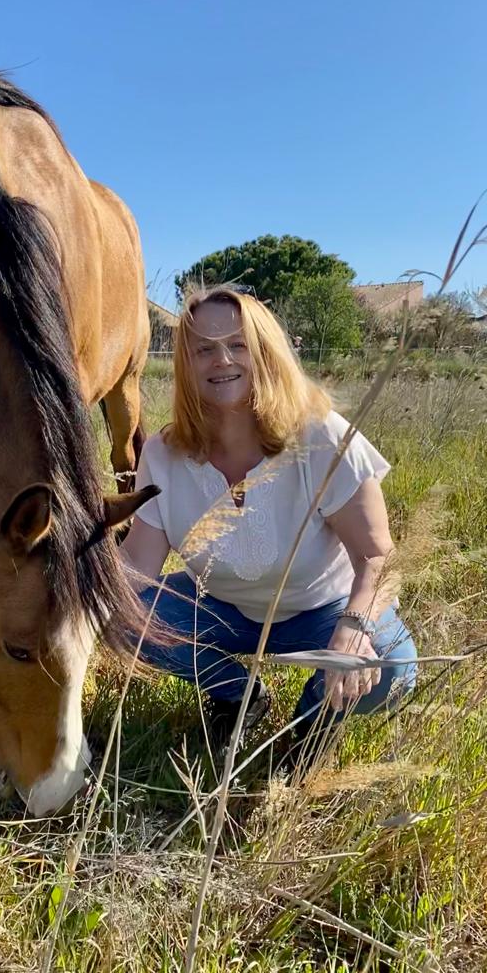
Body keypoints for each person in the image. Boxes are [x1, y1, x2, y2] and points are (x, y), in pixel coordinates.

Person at [122, 284, 417, 766]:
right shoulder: (162, 453)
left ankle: (309, 728)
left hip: (322, 610)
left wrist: (355, 626)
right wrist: (71, 589)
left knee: (391, 665)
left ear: (265, 352)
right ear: (185, 364)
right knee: (120, 615)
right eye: (204, 350)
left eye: (238, 345)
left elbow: (378, 556)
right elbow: (136, 566)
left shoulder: (321, 435)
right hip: (221, 606)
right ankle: (237, 694)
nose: (222, 360)